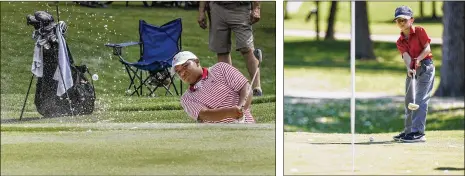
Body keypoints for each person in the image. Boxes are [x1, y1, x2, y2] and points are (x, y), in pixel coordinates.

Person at [197, 1, 263, 96]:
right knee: (222, 50)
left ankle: (256, 88)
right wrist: (201, 11)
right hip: (217, 8)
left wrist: (256, 7)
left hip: (240, 8)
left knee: (246, 48)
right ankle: (231, 90)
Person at [172, 51, 256, 123]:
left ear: (197, 62)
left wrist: (241, 108)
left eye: (185, 66)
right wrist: (229, 112)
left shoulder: (221, 68)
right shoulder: (187, 99)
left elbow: (245, 88)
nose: (182, 73)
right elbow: (204, 114)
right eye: (178, 71)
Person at [392, 6, 435, 143]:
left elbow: (427, 48)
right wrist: (409, 67)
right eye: (398, 20)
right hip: (412, 69)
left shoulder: (420, 31)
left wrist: (418, 59)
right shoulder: (400, 41)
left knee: (420, 100)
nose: (401, 23)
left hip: (426, 67)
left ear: (411, 20)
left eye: (404, 20)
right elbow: (405, 56)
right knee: (409, 100)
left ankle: (418, 133)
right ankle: (409, 131)